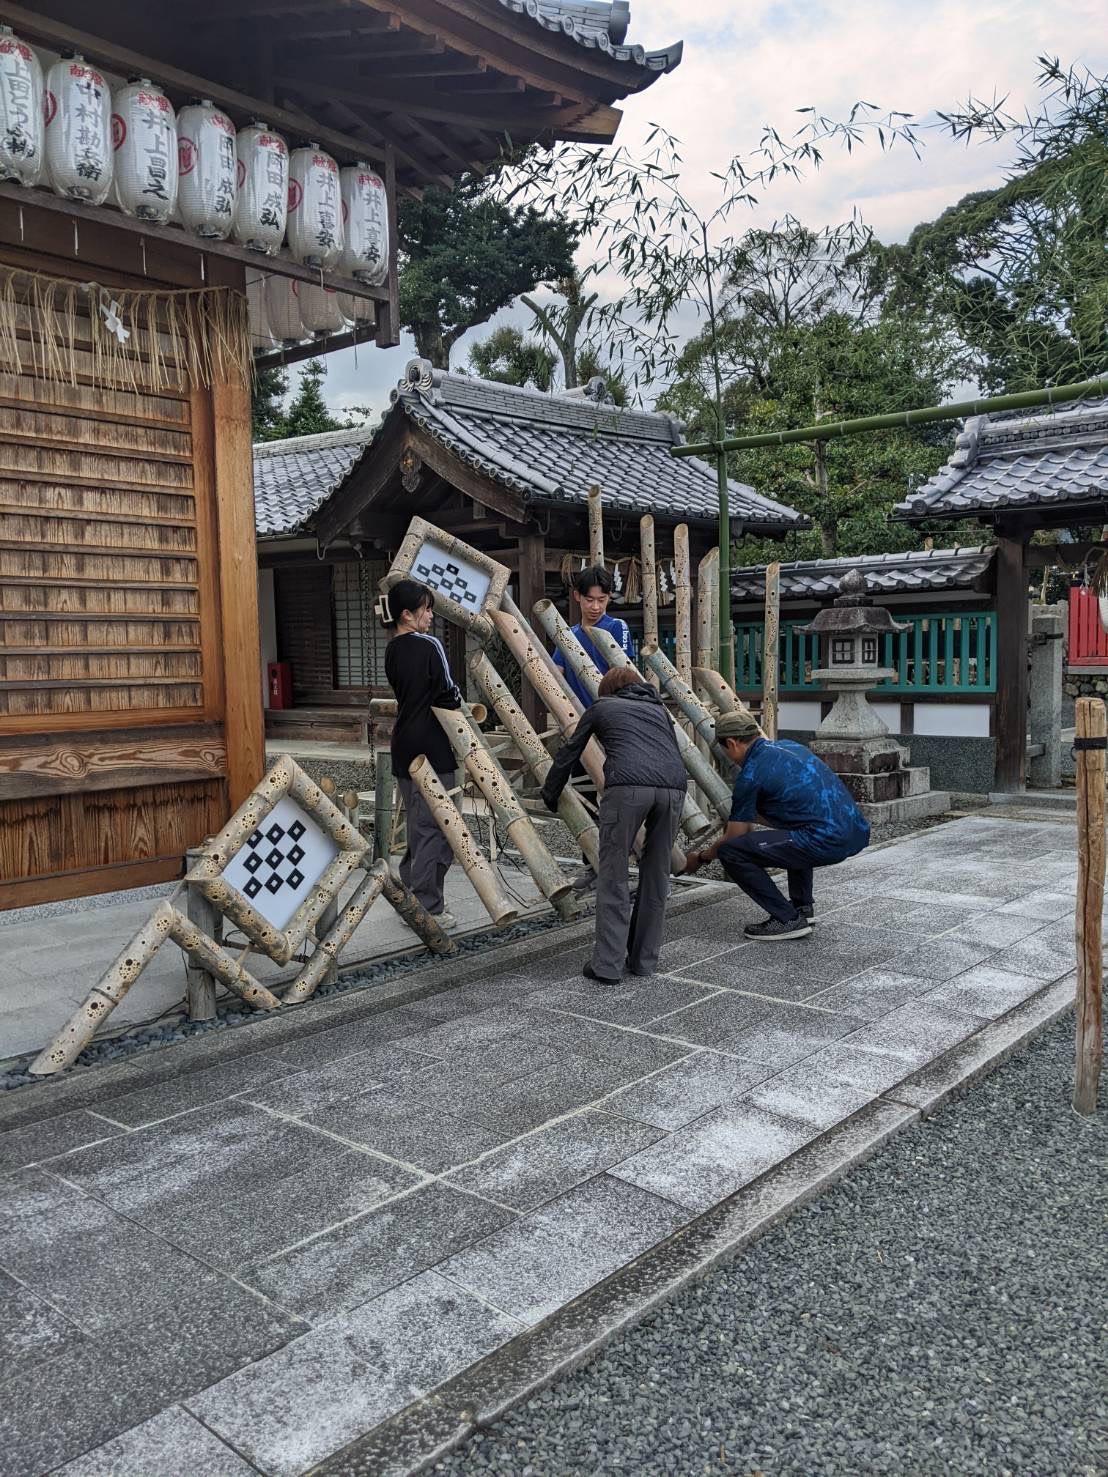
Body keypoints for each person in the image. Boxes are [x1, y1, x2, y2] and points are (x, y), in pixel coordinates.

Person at [541, 665, 686, 983]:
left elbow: (570, 751)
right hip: (675, 789)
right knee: (656, 873)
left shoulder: (603, 706)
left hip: (628, 788)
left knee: (614, 873)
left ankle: (607, 966)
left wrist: (550, 794)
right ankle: (644, 961)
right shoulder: (659, 710)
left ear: (608, 690)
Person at [683, 711, 870, 940]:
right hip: (856, 830)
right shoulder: (791, 747)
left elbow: (735, 838)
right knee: (793, 834)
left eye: (722, 748)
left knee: (729, 852)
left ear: (731, 743)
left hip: (827, 840)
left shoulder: (750, 775)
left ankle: (787, 919)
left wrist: (702, 856)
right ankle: (803, 908)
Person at [383, 579, 462, 927]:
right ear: (406, 614)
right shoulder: (429, 646)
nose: (430, 616)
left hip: (403, 742)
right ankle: (427, 908)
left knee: (418, 823)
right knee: (440, 825)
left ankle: (411, 894)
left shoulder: (392, 649)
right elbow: (448, 693)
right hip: (432, 743)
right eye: (425, 609)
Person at [553, 564, 635, 708]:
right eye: (590, 600)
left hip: (609, 712)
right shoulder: (568, 634)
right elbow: (556, 673)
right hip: (577, 714)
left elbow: (624, 675)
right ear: (577, 596)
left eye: (602, 600)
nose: (596, 607)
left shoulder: (616, 626)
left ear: (609, 596)